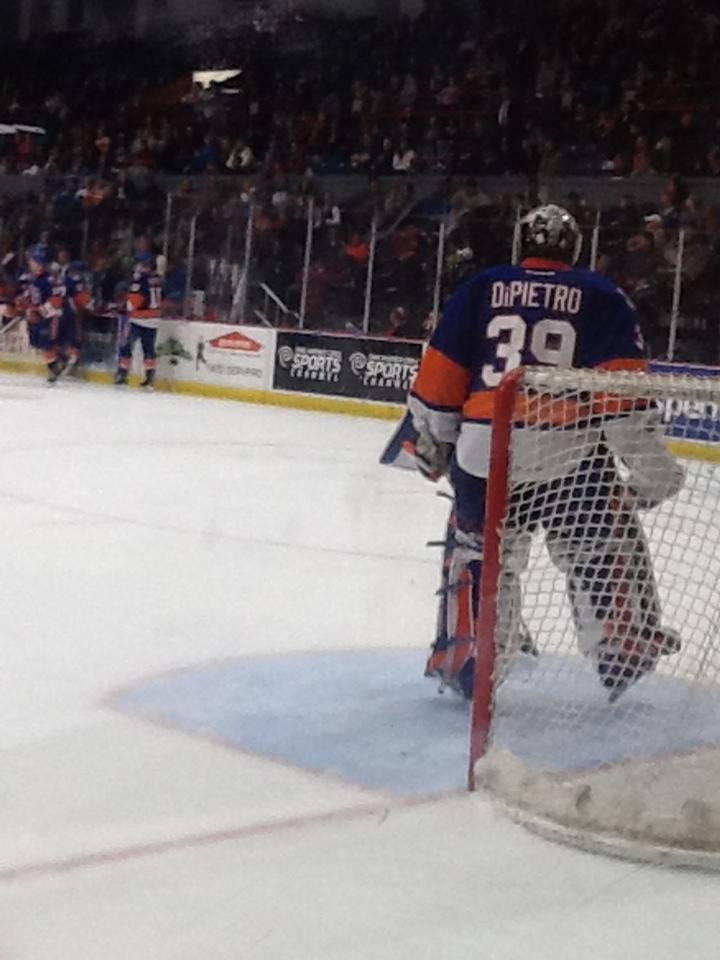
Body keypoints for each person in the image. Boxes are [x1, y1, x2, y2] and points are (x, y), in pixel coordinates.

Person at [403, 204, 684, 701]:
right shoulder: (601, 294)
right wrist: (653, 477)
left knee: (477, 551)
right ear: (575, 249)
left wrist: (437, 445)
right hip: (567, 453)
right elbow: (623, 404)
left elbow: (439, 380)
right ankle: (622, 643)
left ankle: (470, 656)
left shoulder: (481, 287)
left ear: (522, 245)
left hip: (485, 446)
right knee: (602, 540)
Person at [114, 249, 163, 389]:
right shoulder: (157, 278)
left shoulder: (140, 278)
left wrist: (125, 306)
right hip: (153, 319)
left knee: (126, 345)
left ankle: (122, 374)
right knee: (149, 349)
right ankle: (150, 378)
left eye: (138, 263)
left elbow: (135, 300)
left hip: (138, 318)